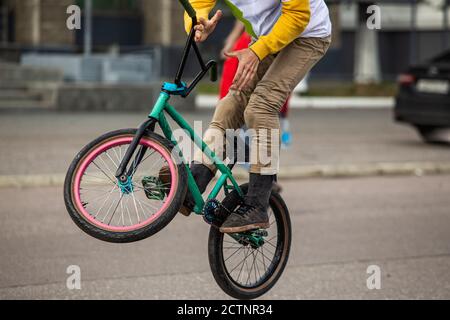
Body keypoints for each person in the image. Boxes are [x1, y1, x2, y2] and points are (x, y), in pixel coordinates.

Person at [171, 0, 332, 234]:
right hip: (267, 34)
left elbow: (297, 15)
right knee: (231, 104)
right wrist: (198, 22)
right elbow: (198, 2)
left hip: (307, 34)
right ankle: (197, 178)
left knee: (261, 107)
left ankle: (257, 202)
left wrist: (257, 51)